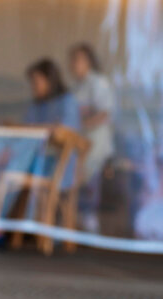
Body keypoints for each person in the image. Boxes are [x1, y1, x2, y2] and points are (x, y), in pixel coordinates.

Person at [69, 42, 116, 233]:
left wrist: (81, 125)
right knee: (78, 178)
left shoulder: (98, 83)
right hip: (80, 142)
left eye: (78, 59)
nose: (74, 64)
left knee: (89, 179)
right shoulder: (75, 86)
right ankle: (77, 219)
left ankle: (90, 219)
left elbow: (105, 113)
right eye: (72, 59)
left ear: (88, 61)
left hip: (97, 142)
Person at [24, 58, 81, 191]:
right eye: (32, 82)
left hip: (56, 166)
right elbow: (25, 129)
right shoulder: (36, 106)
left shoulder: (67, 102)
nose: (34, 86)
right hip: (36, 161)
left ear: (49, 80)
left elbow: (65, 131)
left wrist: (39, 129)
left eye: (37, 82)